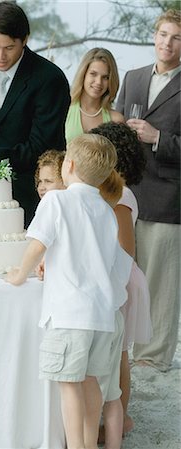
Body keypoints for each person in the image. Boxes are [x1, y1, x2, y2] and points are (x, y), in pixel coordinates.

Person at [6, 134, 132, 449]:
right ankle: (88, 445)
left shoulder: (56, 200)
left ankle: (75, 447)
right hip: (101, 317)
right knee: (92, 384)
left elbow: (37, 244)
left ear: (69, 166)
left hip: (70, 314)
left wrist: (20, 274)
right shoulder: (106, 210)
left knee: (69, 385)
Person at [116, 9, 180, 372]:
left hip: (169, 198)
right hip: (128, 195)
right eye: (162, 34)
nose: (166, 43)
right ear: (154, 36)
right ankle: (125, 348)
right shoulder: (134, 76)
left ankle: (154, 357)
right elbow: (120, 129)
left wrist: (159, 139)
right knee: (126, 275)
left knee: (160, 282)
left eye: (175, 37)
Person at [0, 1, 71, 226]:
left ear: (24, 40)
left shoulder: (50, 79)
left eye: (8, 48)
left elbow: (43, 145)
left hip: (30, 196)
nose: (0, 56)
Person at [93, 122, 152, 445]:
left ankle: (122, 419)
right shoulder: (110, 190)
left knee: (119, 355)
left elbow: (125, 249)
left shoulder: (122, 194)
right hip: (113, 275)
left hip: (121, 278)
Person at [65, 48, 124, 143]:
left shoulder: (116, 120)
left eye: (105, 77)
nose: (98, 82)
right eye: (93, 74)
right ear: (83, 74)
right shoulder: (64, 110)